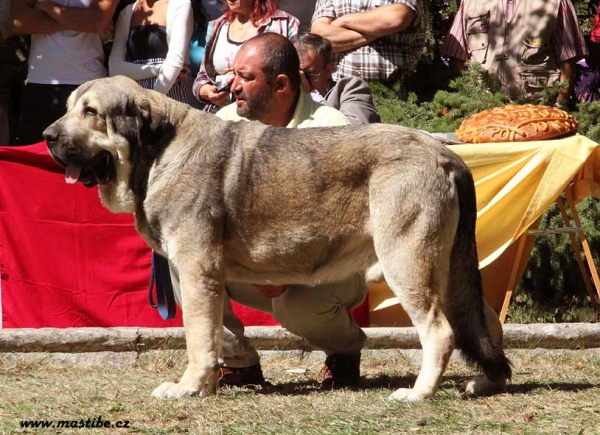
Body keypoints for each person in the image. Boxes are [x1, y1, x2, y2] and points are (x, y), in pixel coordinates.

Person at [176, 33, 366, 390]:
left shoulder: (331, 129)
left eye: (246, 78)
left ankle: (344, 351)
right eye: (234, 74)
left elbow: (342, 224)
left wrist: (285, 266)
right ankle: (236, 364)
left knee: (297, 308)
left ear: (281, 84)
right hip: (253, 263)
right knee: (184, 260)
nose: (233, 86)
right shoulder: (225, 122)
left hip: (324, 267)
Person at [442, 0, 588, 107]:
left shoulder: (555, 2)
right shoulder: (471, 3)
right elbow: (457, 54)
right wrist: (473, 96)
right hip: (484, 110)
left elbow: (568, 57)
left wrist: (560, 104)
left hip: (538, 108)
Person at [11, 0, 118, 145]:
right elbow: (20, 22)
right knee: (33, 161)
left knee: (84, 159)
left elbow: (98, 21)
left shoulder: (44, 4)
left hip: (88, 85)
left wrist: (45, 6)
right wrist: (81, 21)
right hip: (40, 82)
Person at [192, 0, 299, 111]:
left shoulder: (284, 23)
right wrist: (207, 92)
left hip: (264, 115)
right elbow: (201, 79)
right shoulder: (218, 25)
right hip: (221, 116)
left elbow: (295, 79)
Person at [310, 0, 426, 83]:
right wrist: (378, 29)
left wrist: (345, 21)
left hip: (397, 91)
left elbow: (396, 17)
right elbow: (319, 36)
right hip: (340, 89)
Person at [109, 0, 195, 104]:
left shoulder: (180, 5)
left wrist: (151, 102)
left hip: (171, 95)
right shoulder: (127, 12)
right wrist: (158, 68)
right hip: (135, 98)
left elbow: (175, 61)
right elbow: (115, 68)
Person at [291, 32, 380, 125]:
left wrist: (310, 95)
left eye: (309, 73)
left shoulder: (351, 88)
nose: (301, 80)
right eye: (294, 73)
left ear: (328, 70)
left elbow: (355, 131)